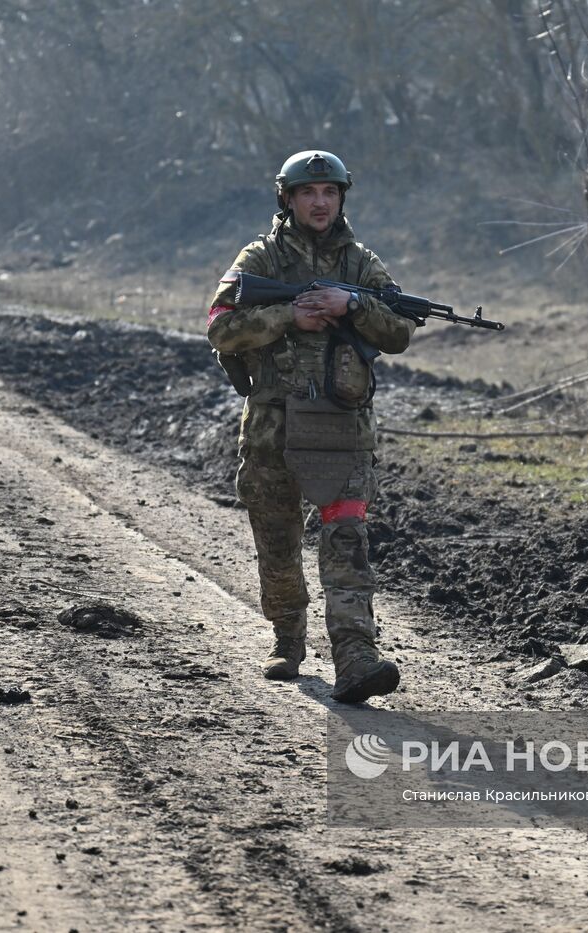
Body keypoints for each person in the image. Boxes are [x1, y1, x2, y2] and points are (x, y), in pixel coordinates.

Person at [206, 150, 413, 703]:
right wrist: (287, 317)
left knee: (347, 543)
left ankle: (355, 657)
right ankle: (288, 639)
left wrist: (352, 305)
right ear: (288, 199)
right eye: (308, 193)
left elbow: (398, 333)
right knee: (277, 543)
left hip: (343, 430)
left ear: (342, 197)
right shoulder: (260, 260)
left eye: (329, 192)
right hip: (273, 431)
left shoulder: (362, 265)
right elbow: (220, 329)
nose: (320, 202)